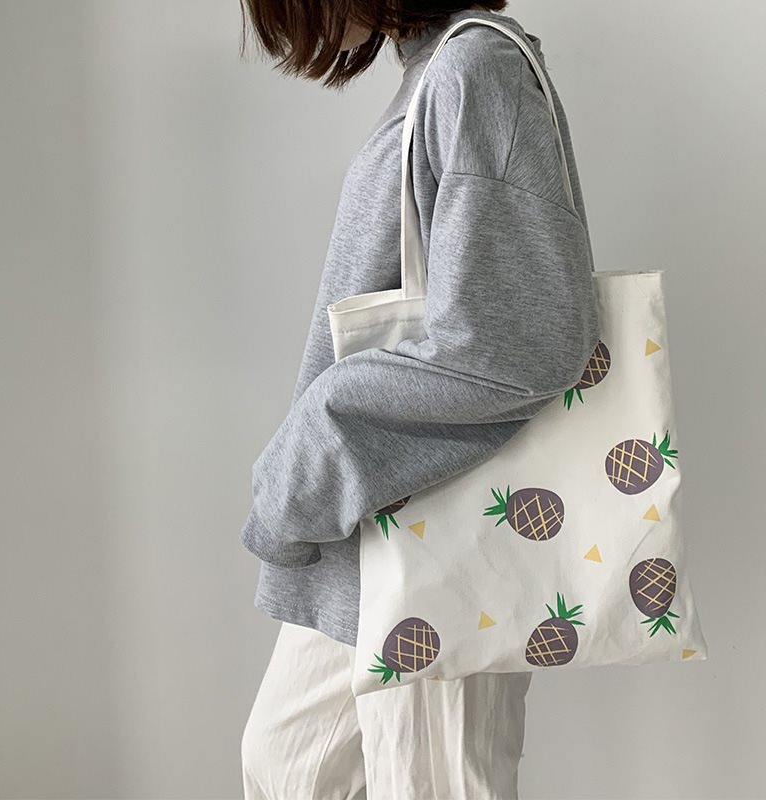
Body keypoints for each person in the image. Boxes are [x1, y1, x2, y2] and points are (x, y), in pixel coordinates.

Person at [237, 2, 600, 798]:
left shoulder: (477, 72)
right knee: (287, 763)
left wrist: (321, 435)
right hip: (376, 529)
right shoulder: (437, 74)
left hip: (445, 539)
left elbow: (521, 340)